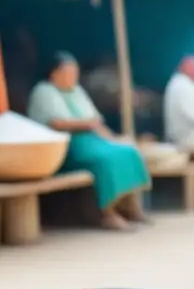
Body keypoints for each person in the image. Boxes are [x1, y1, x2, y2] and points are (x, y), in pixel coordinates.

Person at [27, 52, 151, 231]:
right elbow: (57, 123)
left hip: (91, 141)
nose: (73, 77)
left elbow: (96, 122)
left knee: (128, 152)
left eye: (74, 73)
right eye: (68, 73)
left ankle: (131, 208)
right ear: (54, 73)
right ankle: (107, 214)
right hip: (67, 146)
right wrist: (87, 124)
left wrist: (115, 140)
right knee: (105, 161)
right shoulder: (44, 91)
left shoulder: (76, 91)